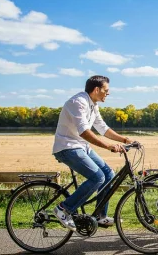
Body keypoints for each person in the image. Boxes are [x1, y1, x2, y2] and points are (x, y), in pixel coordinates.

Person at [52, 75, 137, 231]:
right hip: (67, 147)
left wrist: (125, 139)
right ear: (96, 89)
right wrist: (109, 146)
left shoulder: (93, 105)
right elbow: (84, 131)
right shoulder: (78, 102)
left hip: (82, 146)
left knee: (109, 174)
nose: (108, 93)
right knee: (97, 177)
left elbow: (103, 128)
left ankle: (100, 216)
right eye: (106, 90)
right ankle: (64, 208)